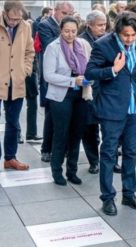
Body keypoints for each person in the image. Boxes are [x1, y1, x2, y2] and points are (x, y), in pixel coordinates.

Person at [85, 11, 136, 216]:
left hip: (134, 109)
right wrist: (112, 69)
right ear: (117, 31)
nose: (129, 39)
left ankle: (129, 194)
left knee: (130, 152)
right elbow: (90, 72)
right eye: (125, 35)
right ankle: (107, 197)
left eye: (133, 35)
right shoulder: (102, 45)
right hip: (111, 109)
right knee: (109, 153)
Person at [43, 16, 91, 185]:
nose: (70, 35)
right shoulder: (53, 47)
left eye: (73, 31)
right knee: (61, 133)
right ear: (60, 30)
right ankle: (57, 171)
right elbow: (48, 75)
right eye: (66, 31)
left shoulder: (83, 44)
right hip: (61, 95)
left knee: (76, 133)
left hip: (81, 93)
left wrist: (88, 77)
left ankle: (72, 171)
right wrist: (72, 81)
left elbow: (91, 64)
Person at [0, 0, 35, 170]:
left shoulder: (26, 26)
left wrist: (25, 70)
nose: (14, 22)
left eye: (18, 19)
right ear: (4, 13)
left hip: (17, 82)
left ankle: (10, 158)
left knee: (13, 123)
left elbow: (30, 51)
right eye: (12, 19)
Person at [38, 1, 74, 163]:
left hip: (69, 81)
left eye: (70, 14)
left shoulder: (69, 28)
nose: (67, 17)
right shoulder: (45, 25)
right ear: (56, 11)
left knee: (64, 120)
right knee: (50, 117)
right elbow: (49, 45)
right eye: (64, 13)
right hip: (52, 78)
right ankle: (46, 149)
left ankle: (61, 148)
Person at [79, 10, 107, 174]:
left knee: (108, 127)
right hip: (89, 88)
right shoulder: (81, 40)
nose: (103, 28)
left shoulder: (108, 38)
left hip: (105, 88)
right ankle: (94, 160)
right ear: (89, 24)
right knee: (89, 128)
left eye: (104, 24)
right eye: (99, 25)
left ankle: (107, 159)